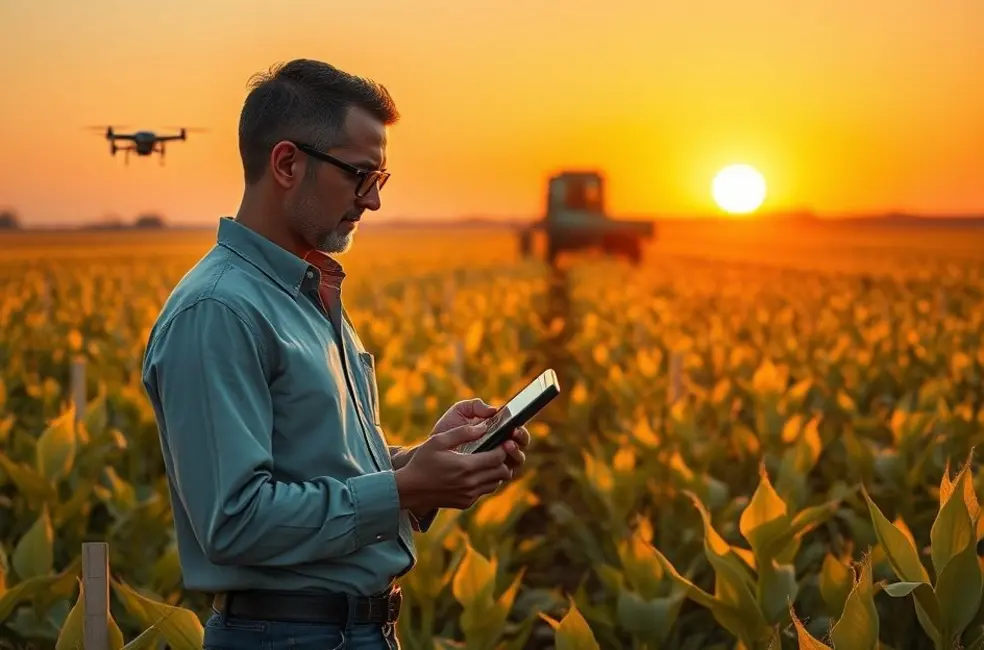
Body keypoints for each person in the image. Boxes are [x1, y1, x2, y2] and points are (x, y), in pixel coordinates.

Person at [140, 59, 530, 650]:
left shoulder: (304, 294)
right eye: (358, 175)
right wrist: (405, 490)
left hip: (350, 631)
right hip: (287, 636)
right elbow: (235, 521)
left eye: (381, 178)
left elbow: (321, 473)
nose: (371, 201)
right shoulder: (219, 311)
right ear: (288, 164)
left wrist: (423, 462)